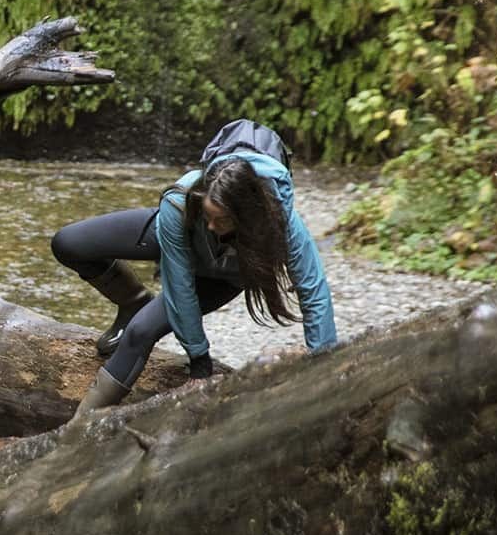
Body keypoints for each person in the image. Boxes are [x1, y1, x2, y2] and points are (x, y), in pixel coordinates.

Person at [49, 124, 338, 418]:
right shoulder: (182, 200)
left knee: (139, 333)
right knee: (68, 243)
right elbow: (179, 282)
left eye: (220, 220)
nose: (212, 225)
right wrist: (199, 360)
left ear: (246, 216)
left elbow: (314, 294)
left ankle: (75, 431)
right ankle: (133, 301)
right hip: (181, 244)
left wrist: (324, 370)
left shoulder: (282, 222)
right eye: (207, 216)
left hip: (221, 278)